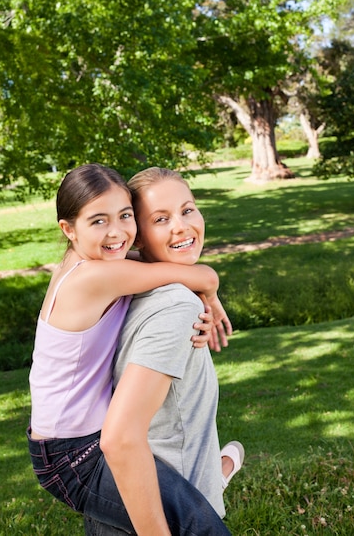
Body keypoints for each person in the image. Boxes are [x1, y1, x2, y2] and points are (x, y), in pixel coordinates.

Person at [27, 163, 236, 536]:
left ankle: (210, 476)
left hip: (64, 445)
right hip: (74, 454)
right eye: (98, 221)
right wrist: (208, 291)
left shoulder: (89, 264)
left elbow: (160, 264)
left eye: (125, 216)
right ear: (68, 229)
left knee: (188, 515)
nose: (116, 232)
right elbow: (202, 273)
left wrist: (201, 292)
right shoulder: (96, 276)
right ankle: (208, 484)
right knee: (199, 527)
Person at [86, 167, 244, 536]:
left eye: (188, 210)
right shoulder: (176, 306)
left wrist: (205, 287)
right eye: (161, 219)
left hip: (120, 503)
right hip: (162, 512)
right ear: (137, 237)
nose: (181, 226)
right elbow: (122, 437)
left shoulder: (126, 289)